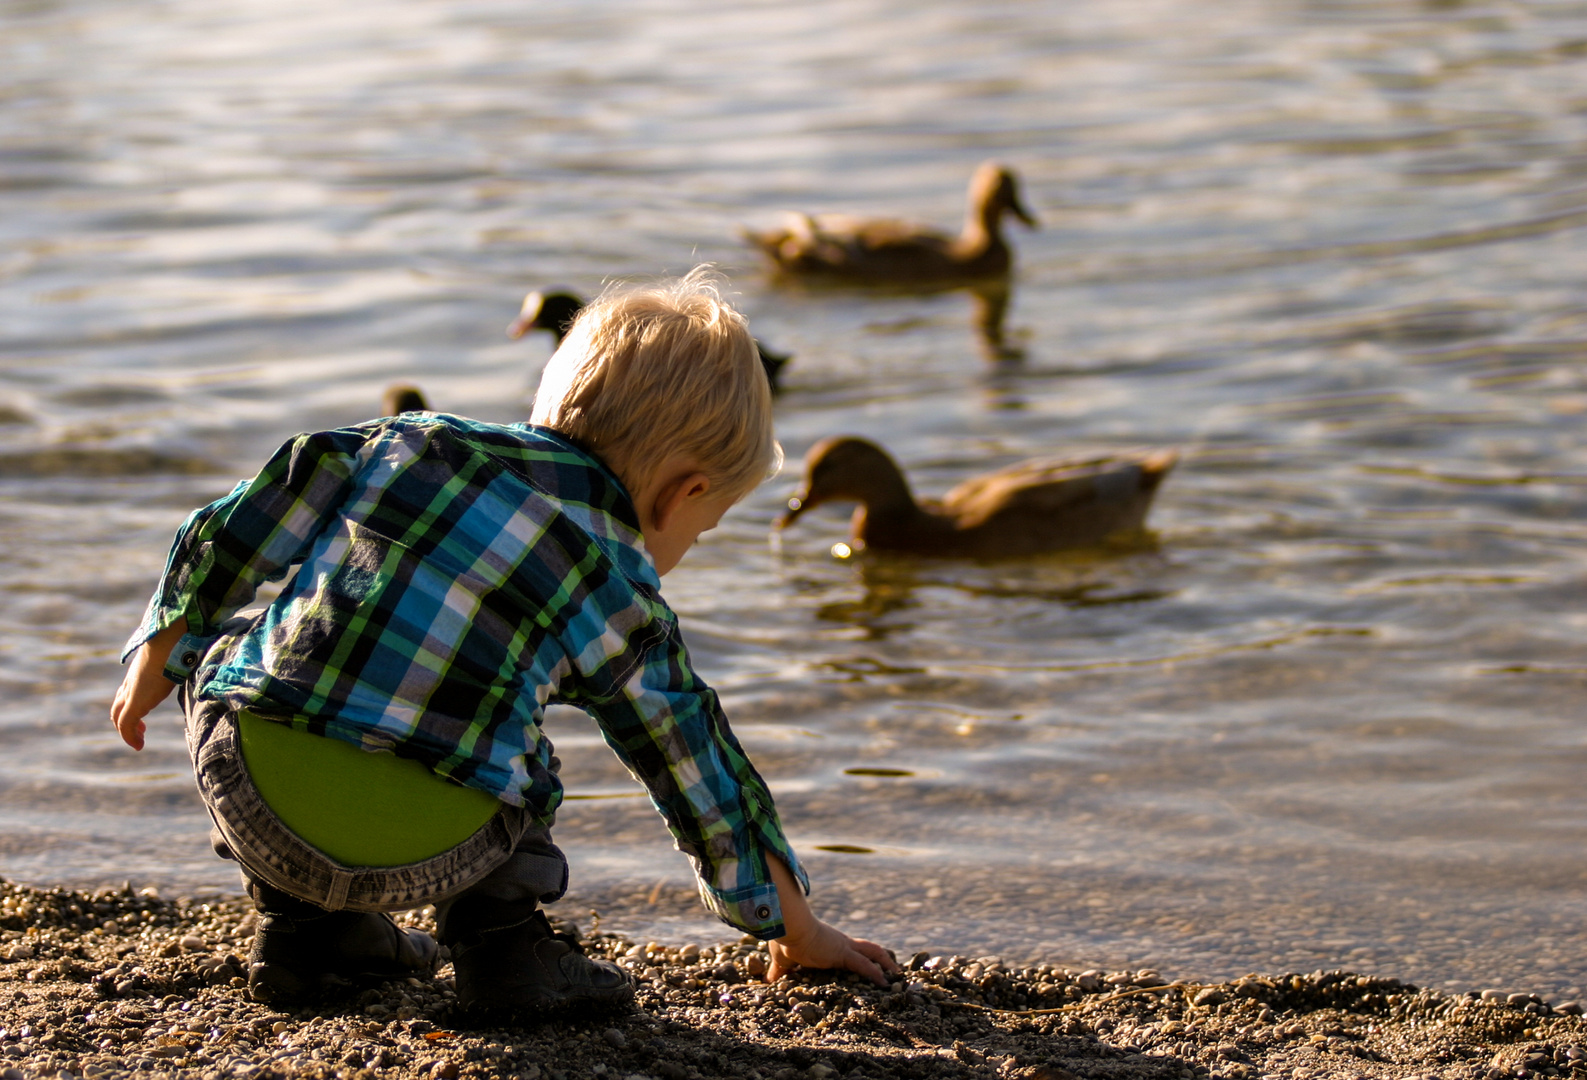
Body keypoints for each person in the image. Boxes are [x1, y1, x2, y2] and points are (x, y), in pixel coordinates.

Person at [109, 268, 898, 1017]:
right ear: (682, 493)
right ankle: (502, 951)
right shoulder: (618, 593)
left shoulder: (409, 444)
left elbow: (240, 517)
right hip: (439, 849)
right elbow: (698, 765)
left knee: (239, 655)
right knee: (512, 741)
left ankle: (305, 934)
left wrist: (162, 643)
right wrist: (794, 929)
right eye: (706, 527)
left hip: (254, 803)